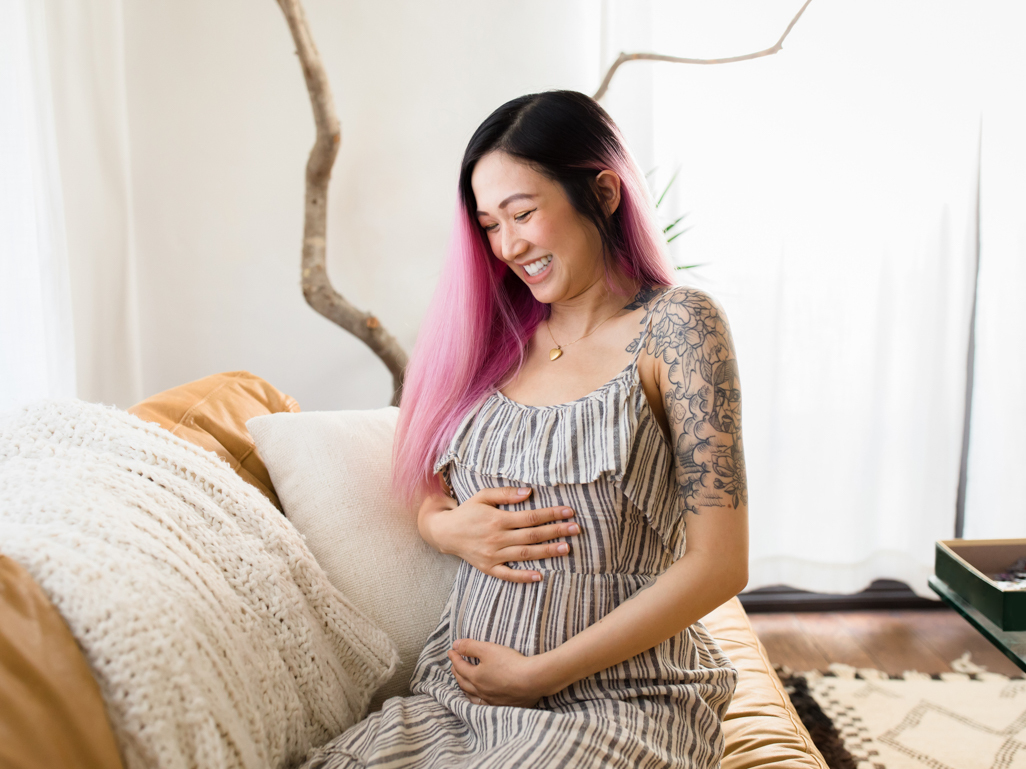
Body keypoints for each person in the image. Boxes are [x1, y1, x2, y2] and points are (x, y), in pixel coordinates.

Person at [303, 90, 749, 769]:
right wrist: (441, 525)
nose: (507, 245)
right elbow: (422, 460)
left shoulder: (680, 328)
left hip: (622, 700)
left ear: (602, 192)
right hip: (459, 702)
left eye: (523, 213)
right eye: (488, 224)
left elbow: (720, 563)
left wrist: (542, 673)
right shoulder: (487, 334)